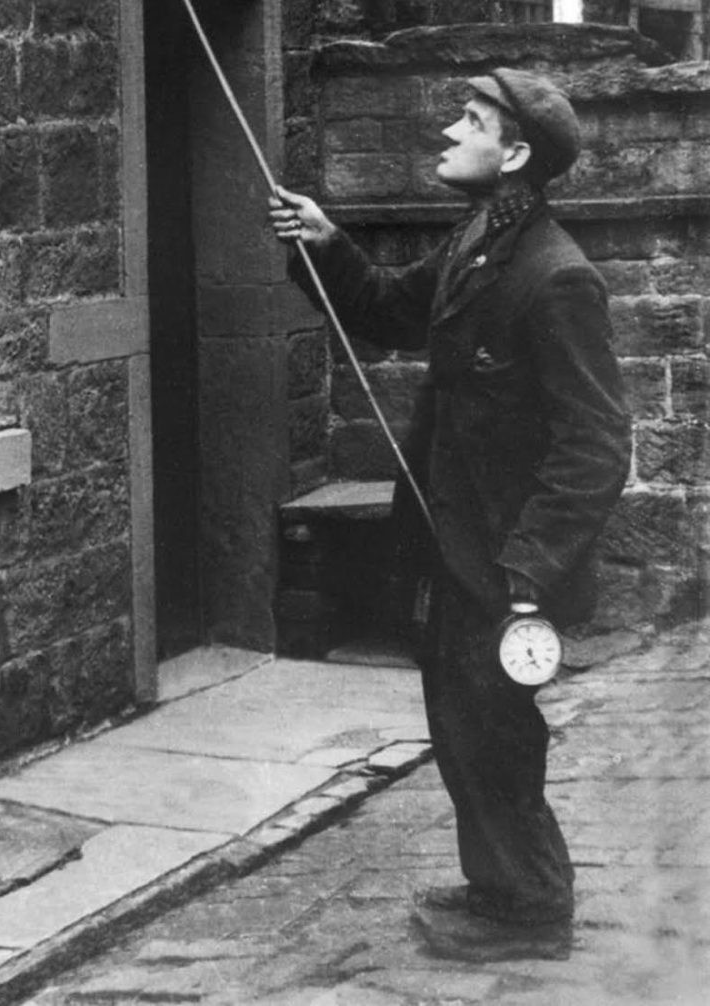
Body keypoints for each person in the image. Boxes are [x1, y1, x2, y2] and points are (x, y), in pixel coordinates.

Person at [269, 68, 631, 964]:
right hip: (453, 543)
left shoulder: (555, 279)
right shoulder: (477, 239)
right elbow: (393, 310)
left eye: (468, 122)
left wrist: (528, 572)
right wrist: (326, 242)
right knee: (462, 722)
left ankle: (531, 908)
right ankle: (498, 888)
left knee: (496, 730)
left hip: (505, 566)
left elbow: (597, 442)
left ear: (512, 156)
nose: (446, 132)